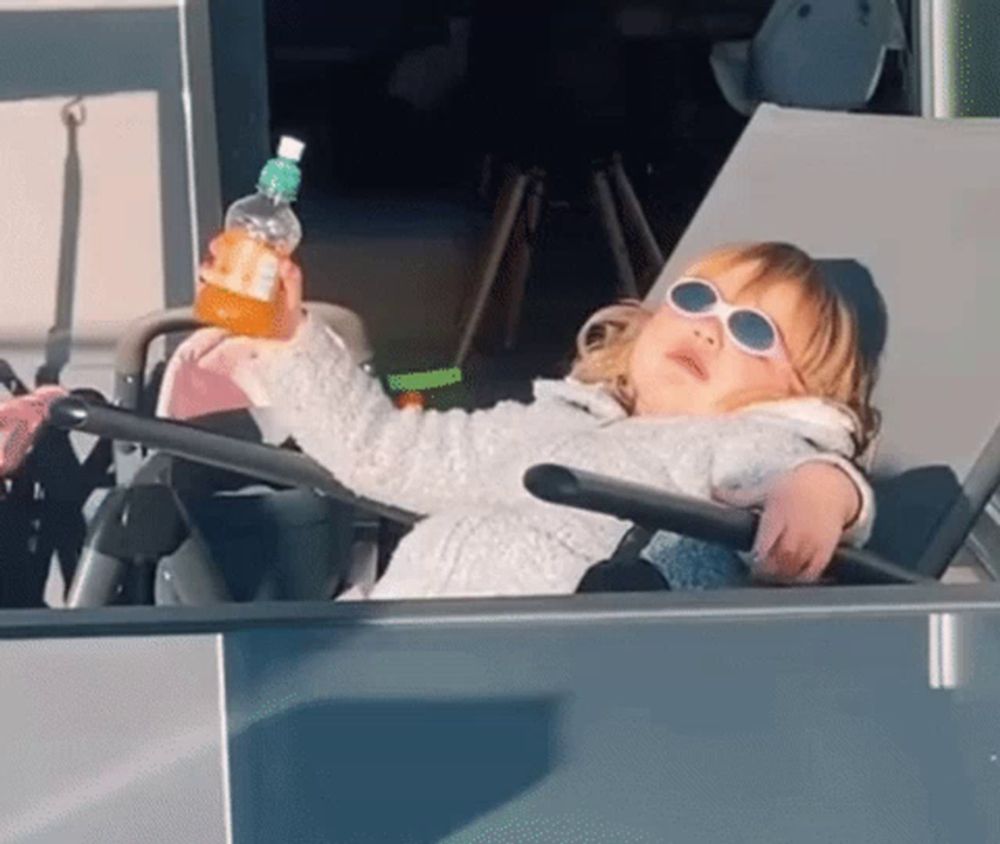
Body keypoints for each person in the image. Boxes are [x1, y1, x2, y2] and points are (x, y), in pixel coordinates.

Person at [152, 239, 879, 599]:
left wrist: (818, 493)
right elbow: (384, 453)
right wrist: (289, 340)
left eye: (754, 331)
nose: (711, 328)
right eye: (695, 300)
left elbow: (807, 471)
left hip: (571, 679)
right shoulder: (552, 421)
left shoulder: (744, 444)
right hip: (395, 640)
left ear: (800, 390)